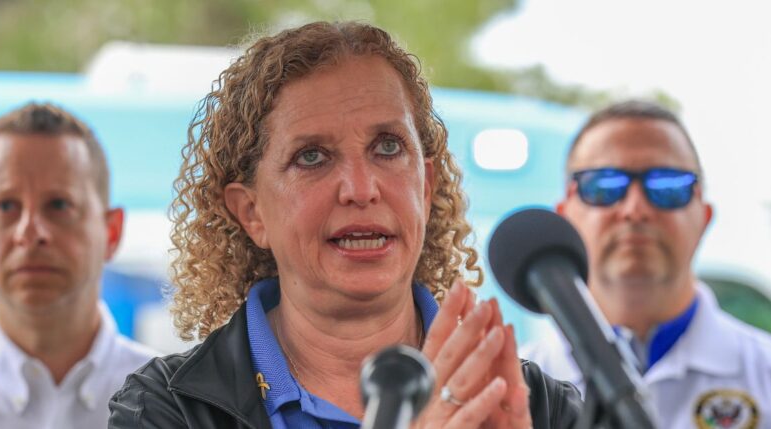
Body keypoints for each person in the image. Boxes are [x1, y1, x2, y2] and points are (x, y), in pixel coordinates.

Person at [109, 21, 581, 429]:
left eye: (388, 147)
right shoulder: (166, 408)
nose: (360, 188)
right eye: (312, 157)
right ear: (251, 212)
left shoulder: (543, 407)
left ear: (425, 187)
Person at [523, 100, 771, 428]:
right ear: (565, 216)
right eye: (604, 185)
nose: (635, 209)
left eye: (667, 186)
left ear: (704, 216)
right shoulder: (515, 390)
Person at [0, 103, 156, 429]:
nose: (30, 233)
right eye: (6, 206)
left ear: (111, 231)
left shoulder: (177, 407)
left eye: (59, 205)